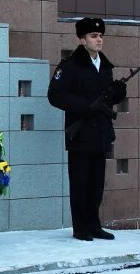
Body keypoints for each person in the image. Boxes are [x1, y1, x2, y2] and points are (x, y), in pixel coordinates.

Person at [48, 17, 126, 241]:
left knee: (96, 184)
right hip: (81, 133)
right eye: (93, 36)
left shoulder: (105, 66)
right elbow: (55, 95)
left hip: (100, 133)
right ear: (82, 40)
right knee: (80, 182)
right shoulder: (70, 66)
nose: (99, 40)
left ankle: (94, 225)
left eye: (100, 36)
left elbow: (109, 98)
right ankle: (80, 228)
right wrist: (84, 107)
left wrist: (118, 92)